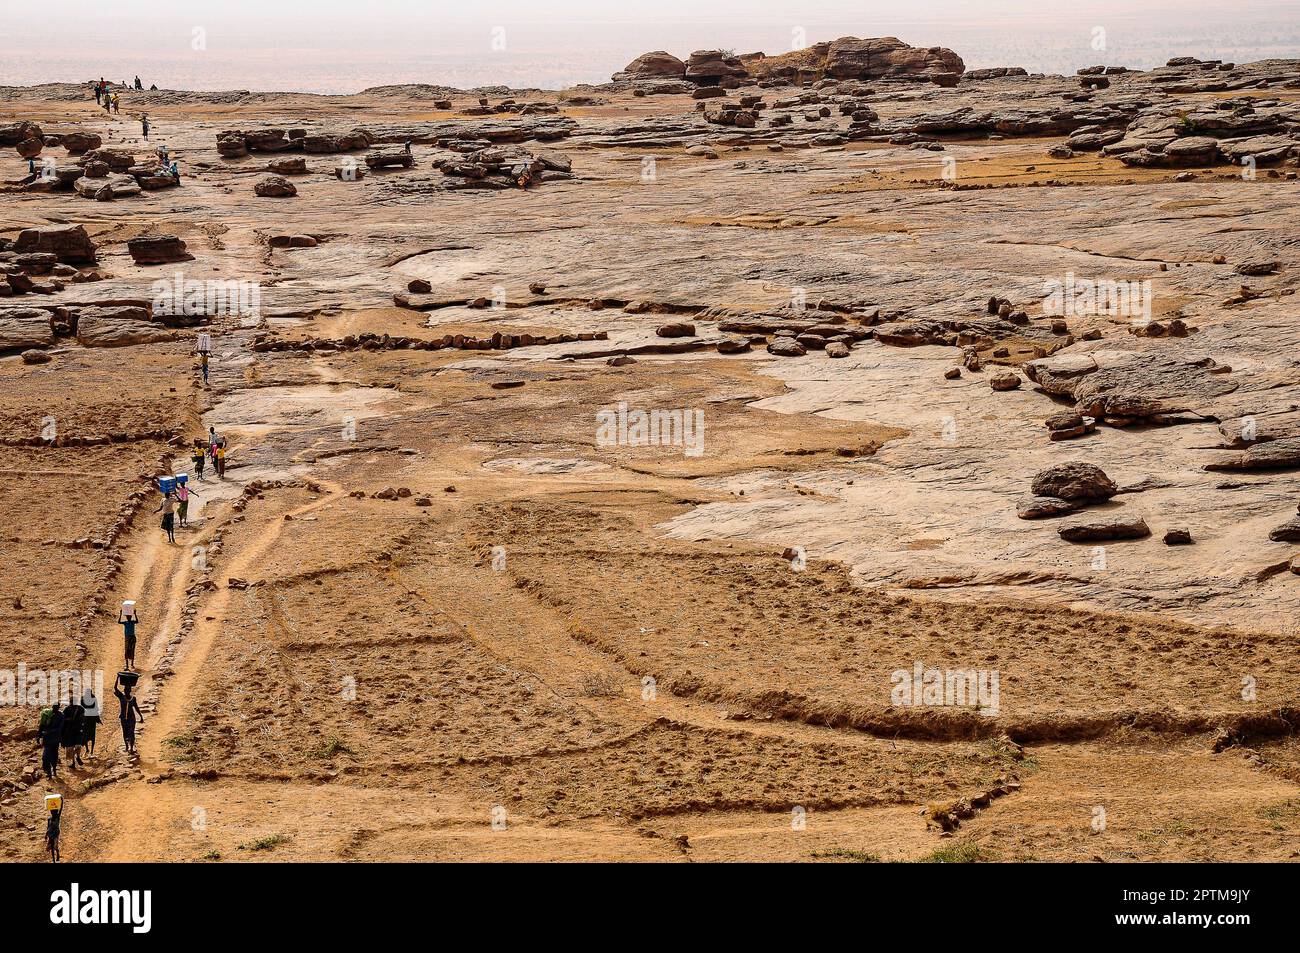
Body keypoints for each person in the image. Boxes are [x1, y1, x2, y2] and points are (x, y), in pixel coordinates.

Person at [114, 676, 144, 755]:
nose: (126, 691)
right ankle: (127, 746)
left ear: (130, 691)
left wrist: (141, 716)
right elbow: (115, 688)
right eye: (125, 690)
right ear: (124, 690)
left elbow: (136, 707)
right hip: (123, 718)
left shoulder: (133, 699)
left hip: (131, 718)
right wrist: (118, 678)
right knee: (125, 732)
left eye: (128, 690)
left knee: (131, 732)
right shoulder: (121, 697)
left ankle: (131, 747)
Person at [39, 703, 64, 780]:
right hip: (47, 739)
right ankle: (48, 772)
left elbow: (60, 727)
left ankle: (53, 770)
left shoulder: (61, 715)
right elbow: (41, 725)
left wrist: (49, 731)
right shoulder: (47, 714)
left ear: (58, 708)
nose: (54, 709)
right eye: (53, 708)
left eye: (56, 708)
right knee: (45, 757)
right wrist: (39, 735)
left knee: (54, 756)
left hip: (55, 739)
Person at [61, 699, 85, 769]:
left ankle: (74, 761)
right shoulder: (80, 708)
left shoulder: (67, 709)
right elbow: (83, 718)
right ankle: (77, 758)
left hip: (70, 732)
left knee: (71, 747)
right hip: (77, 730)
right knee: (77, 745)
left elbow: (63, 721)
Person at [81, 688, 101, 757]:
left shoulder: (92, 699)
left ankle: (91, 751)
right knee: (86, 735)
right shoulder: (83, 699)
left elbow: (96, 709)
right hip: (87, 719)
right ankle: (88, 750)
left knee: (90, 735)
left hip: (90, 720)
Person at [118, 605, 139, 670]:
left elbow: (137, 621)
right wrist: (120, 614)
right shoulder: (126, 622)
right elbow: (119, 622)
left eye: (129, 617)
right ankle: (127, 665)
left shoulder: (131, 622)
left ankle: (131, 664)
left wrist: (135, 614)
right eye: (128, 617)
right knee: (127, 650)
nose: (128, 618)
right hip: (128, 637)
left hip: (131, 637)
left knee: (132, 650)